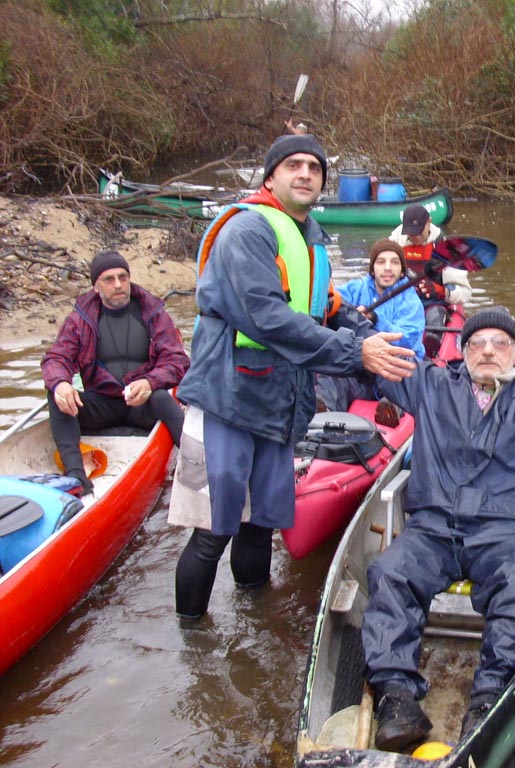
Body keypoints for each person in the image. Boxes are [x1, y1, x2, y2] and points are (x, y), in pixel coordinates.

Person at [169, 133, 416, 621]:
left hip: (279, 403)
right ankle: (192, 640)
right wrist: (354, 351)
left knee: (263, 521)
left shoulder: (310, 240)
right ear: (270, 176)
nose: (306, 173)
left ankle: (254, 618)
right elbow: (265, 316)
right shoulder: (247, 232)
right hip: (229, 399)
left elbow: (323, 307)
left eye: (315, 167)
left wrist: (366, 333)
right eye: (293, 165)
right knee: (214, 530)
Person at [361, 268, 515, 752]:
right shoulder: (432, 385)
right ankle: (396, 697)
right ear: (462, 352)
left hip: (506, 533)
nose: (488, 350)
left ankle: (489, 699)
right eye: (478, 342)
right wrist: (353, 329)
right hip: (433, 528)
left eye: (501, 342)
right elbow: (376, 366)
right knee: (390, 574)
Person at [41, 250, 190, 495]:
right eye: (109, 279)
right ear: (96, 286)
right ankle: (77, 477)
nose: (118, 284)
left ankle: (197, 466)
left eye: (123, 277)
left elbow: (176, 360)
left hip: (143, 403)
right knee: (56, 396)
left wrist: (150, 383)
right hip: (104, 403)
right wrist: (60, 384)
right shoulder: (79, 321)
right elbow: (56, 358)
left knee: (163, 397)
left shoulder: (153, 313)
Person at [390, 204, 472, 357]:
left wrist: (442, 291)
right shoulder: (393, 244)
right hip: (402, 302)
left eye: (419, 232)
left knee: (434, 322)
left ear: (429, 222)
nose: (415, 238)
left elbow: (464, 293)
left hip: (433, 304)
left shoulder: (447, 249)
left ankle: (431, 352)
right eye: (411, 234)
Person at [340, 239, 426, 359]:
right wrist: (351, 313)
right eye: (381, 262)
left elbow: (408, 341)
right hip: (362, 358)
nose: (387, 268)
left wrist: (376, 320)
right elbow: (333, 300)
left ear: (402, 272)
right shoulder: (356, 288)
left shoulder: (411, 301)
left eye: (395, 262)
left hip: (400, 363)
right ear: (372, 270)